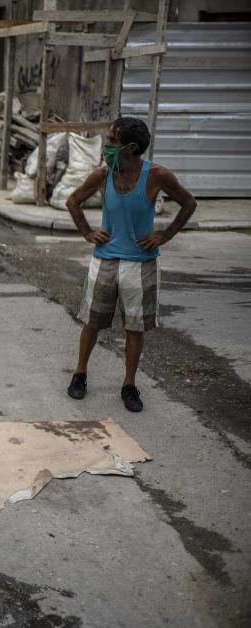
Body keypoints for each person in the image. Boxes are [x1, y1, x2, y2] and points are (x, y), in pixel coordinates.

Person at [66, 117, 197, 412]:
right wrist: (87, 232)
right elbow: (73, 201)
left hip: (141, 263)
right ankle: (79, 375)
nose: (106, 145)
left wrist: (165, 234)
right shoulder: (103, 174)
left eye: (112, 141)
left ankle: (129, 385)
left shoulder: (157, 175)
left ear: (131, 147)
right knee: (92, 322)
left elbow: (188, 203)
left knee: (134, 328)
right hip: (105, 260)